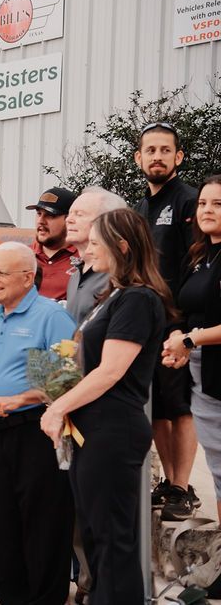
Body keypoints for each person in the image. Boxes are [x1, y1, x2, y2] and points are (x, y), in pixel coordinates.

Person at [39, 209, 168, 603]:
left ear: (122, 247)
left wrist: (58, 407)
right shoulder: (111, 297)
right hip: (92, 428)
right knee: (96, 536)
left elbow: (111, 371)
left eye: (95, 242)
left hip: (112, 429)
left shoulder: (138, 300)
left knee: (113, 540)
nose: (86, 248)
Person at [0, 241, 76, 605]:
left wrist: (21, 398)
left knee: (44, 532)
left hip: (41, 434)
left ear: (28, 277)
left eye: (1, 273)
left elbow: (65, 379)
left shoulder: (49, 316)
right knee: (6, 529)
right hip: (2, 435)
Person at [134, 121, 201, 521]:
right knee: (158, 406)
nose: (157, 156)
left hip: (179, 324)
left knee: (181, 407)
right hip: (147, 323)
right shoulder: (141, 207)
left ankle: (181, 485)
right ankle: (170, 482)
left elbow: (194, 265)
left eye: (165, 150)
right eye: (150, 150)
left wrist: (183, 325)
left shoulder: (189, 201)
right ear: (139, 157)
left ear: (178, 157)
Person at [164, 175, 221, 522]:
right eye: (202, 203)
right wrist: (178, 343)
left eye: (217, 203)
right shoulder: (200, 255)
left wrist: (189, 340)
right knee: (218, 470)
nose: (207, 209)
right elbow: (186, 310)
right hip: (203, 378)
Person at [65, 187, 128, 323]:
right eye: (69, 214)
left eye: (79, 214)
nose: (68, 220)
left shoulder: (120, 278)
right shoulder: (75, 275)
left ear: (107, 222)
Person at [26, 187, 78, 301]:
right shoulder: (21, 257)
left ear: (69, 220)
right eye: (39, 214)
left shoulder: (85, 259)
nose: (41, 220)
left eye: (50, 215)